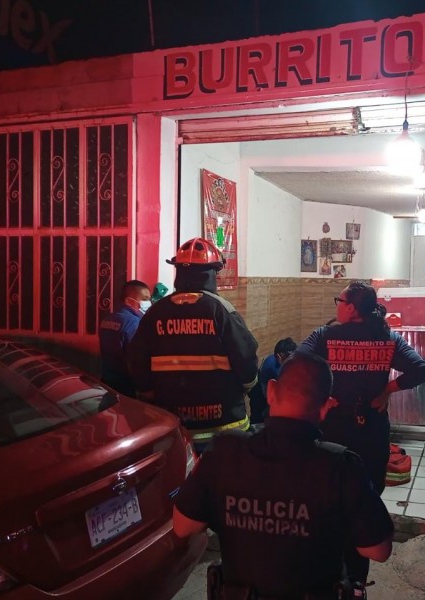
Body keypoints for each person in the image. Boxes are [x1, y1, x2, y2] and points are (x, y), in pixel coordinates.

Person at [172, 352, 394, 599]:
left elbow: (182, 527)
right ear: (325, 407)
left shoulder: (223, 451)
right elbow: (378, 550)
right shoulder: (342, 466)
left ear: (271, 391)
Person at [300, 280, 425, 583]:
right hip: (371, 430)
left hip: (333, 430)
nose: (337, 305)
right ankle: (357, 579)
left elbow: (296, 362)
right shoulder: (387, 338)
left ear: (351, 308)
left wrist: (320, 395)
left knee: (328, 498)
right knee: (366, 498)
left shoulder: (325, 335)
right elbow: (421, 370)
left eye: (339, 300)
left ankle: (328, 573)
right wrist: (387, 390)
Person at [128, 237, 258, 453]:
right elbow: (247, 362)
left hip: (174, 427)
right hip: (224, 427)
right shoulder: (222, 311)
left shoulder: (155, 313)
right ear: (212, 273)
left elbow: (136, 361)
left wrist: (149, 393)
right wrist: (246, 387)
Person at [98, 280, 151, 397]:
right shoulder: (134, 323)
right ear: (129, 301)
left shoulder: (107, 319)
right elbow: (135, 359)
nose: (148, 303)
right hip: (126, 385)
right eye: (145, 299)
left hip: (107, 381)